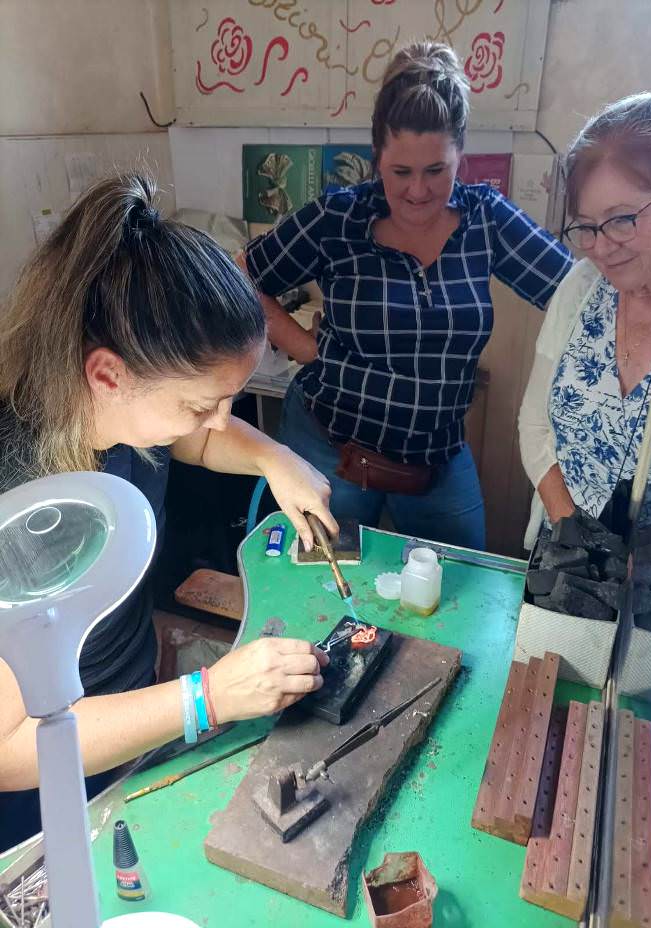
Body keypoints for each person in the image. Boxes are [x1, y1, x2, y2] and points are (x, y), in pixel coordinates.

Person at [0, 173, 338, 850]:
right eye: (199, 404)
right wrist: (206, 698)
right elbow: (10, 749)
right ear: (107, 375)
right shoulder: (22, 506)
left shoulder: (118, 419)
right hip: (48, 798)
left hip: (135, 720)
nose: (218, 421)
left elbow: (194, 440)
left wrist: (276, 458)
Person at [242, 41, 573, 552]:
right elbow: (239, 276)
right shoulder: (339, 218)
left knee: (463, 581)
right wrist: (305, 347)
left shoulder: (486, 219)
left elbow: (578, 294)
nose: (418, 191)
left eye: (436, 170)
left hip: (435, 461)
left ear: (460, 156)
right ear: (377, 158)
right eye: (401, 172)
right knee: (319, 587)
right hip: (329, 450)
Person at [519, 92, 651, 549]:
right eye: (586, 226)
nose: (601, 247)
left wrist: (644, 558)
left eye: (621, 220)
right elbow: (535, 426)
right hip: (564, 553)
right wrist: (572, 534)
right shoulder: (581, 288)